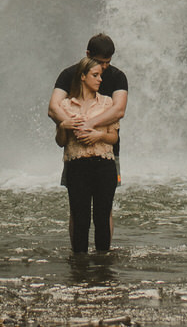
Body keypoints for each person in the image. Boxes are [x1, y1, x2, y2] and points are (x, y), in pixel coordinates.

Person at [54, 55, 120, 252]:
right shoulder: (65, 105)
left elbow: (113, 137)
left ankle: (102, 268)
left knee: (102, 218)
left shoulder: (107, 103)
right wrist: (63, 126)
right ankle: (79, 267)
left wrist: (97, 135)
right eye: (95, 75)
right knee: (80, 219)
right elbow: (61, 142)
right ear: (83, 76)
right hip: (77, 166)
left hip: (103, 165)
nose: (100, 79)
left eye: (100, 75)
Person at [48, 33, 128, 157]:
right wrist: (76, 127)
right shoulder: (68, 75)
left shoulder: (117, 77)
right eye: (100, 62)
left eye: (108, 62)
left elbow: (119, 110)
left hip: (106, 153)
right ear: (88, 54)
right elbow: (53, 108)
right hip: (75, 153)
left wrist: (90, 124)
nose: (104, 66)